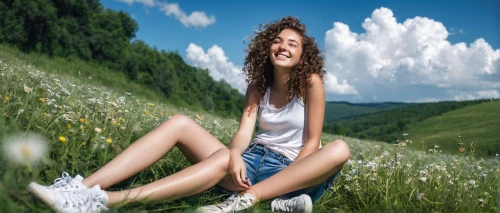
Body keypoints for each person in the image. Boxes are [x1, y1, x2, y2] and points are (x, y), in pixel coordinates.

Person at [28, 16, 350, 213]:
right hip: (251, 163)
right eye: (277, 40)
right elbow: (243, 132)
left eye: (292, 44)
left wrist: (282, 184)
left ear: (302, 55)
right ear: (267, 47)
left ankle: (104, 202)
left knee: (339, 149)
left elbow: (311, 145)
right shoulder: (258, 84)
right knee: (182, 123)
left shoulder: (311, 82)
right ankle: (82, 188)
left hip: (295, 171)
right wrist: (235, 155)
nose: (283, 46)